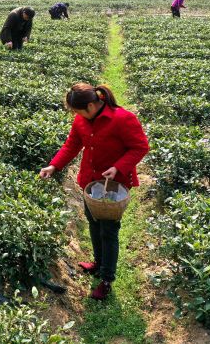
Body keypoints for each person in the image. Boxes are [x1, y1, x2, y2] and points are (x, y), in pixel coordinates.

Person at [39, 83, 149, 301]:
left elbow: (140, 147)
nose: (75, 115)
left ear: (90, 105)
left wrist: (118, 166)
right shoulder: (81, 120)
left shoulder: (122, 119)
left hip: (113, 185)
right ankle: (98, 263)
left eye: (76, 110)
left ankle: (106, 279)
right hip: (90, 182)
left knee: (108, 230)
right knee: (93, 222)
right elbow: (71, 145)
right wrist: (54, 165)